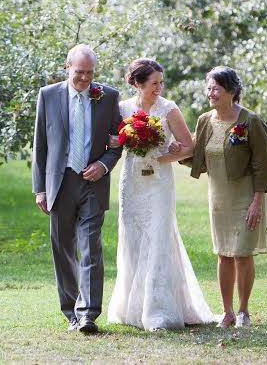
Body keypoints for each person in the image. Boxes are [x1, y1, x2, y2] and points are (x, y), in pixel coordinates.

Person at [107, 58, 215, 331]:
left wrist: (168, 156)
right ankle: (131, 308)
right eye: (154, 83)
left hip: (159, 184)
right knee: (132, 238)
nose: (160, 87)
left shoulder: (169, 109)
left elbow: (190, 147)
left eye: (161, 82)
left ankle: (158, 311)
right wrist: (122, 140)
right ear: (138, 83)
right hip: (131, 182)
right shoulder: (122, 109)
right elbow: (113, 142)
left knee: (158, 238)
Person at [31, 44, 123, 334]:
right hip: (59, 182)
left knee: (90, 246)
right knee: (63, 249)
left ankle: (88, 315)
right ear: (67, 67)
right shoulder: (48, 96)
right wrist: (40, 189)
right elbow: (40, 146)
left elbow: (117, 142)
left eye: (90, 73)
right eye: (79, 73)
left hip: (93, 183)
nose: (85, 79)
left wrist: (104, 164)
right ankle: (71, 310)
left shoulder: (108, 97)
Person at [183, 66, 267, 328]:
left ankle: (243, 311)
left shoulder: (250, 121)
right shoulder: (204, 120)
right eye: (208, 88)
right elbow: (197, 155)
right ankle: (228, 312)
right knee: (224, 254)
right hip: (218, 198)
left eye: (216, 88)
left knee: (243, 253)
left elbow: (261, 165)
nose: (211, 93)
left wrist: (258, 201)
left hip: (246, 196)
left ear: (231, 91)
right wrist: (173, 150)